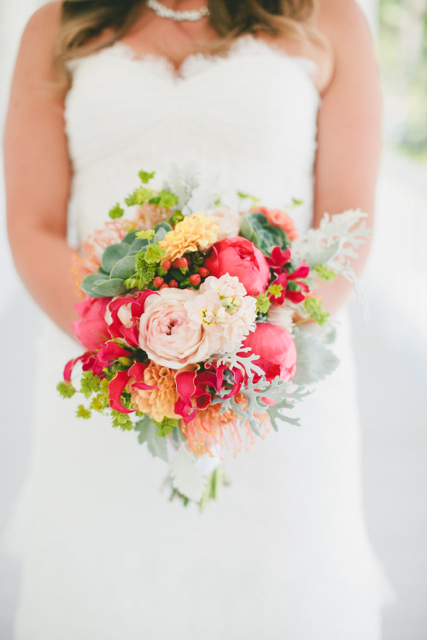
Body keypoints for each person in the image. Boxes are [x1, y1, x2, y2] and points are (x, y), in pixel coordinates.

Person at [4, 1, 388, 638]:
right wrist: (133, 344)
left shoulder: (330, 18)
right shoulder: (57, 24)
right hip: (110, 383)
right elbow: (33, 225)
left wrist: (236, 345)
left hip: (270, 381)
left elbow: (348, 225)